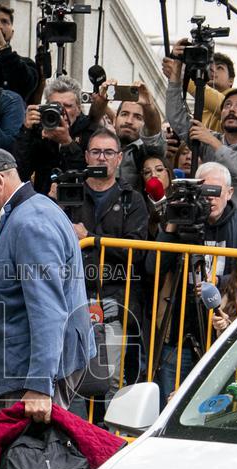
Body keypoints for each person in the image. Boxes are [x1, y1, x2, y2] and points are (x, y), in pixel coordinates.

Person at [0, 148, 92, 419]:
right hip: (29, 368)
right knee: (26, 457)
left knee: (31, 459)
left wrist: (40, 385)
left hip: (34, 375)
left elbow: (48, 310)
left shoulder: (30, 221)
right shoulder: (28, 213)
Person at [147, 162, 237, 402]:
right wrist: (172, 224)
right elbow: (152, 266)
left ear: (229, 193)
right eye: (203, 191)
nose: (209, 199)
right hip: (179, 327)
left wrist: (218, 281)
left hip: (220, 329)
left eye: (215, 191)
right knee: (170, 401)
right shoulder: (183, 219)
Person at [65, 129, 149, 408]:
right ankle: (72, 444)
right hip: (72, 299)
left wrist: (90, 239)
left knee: (111, 379)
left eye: (109, 152)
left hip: (115, 300)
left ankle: (109, 444)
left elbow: (135, 251)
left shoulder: (132, 199)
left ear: (119, 158)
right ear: (86, 155)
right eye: (96, 152)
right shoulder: (69, 193)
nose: (102, 158)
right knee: (69, 375)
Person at [162, 67, 237, 233]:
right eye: (227, 105)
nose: (232, 109)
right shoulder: (209, 139)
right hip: (214, 233)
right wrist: (175, 77)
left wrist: (212, 141)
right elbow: (177, 118)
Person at [13, 75, 99, 194]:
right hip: (43, 200)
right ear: (46, 107)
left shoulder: (90, 132)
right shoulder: (38, 130)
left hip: (78, 202)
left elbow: (88, 175)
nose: (62, 112)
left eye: (68, 106)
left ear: (79, 109)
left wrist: (68, 143)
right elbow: (19, 173)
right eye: (56, 107)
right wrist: (26, 130)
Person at [113, 92, 167, 190]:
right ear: (114, 120)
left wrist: (149, 106)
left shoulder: (148, 151)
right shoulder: (101, 146)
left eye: (138, 117)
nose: (129, 121)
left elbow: (153, 135)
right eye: (124, 114)